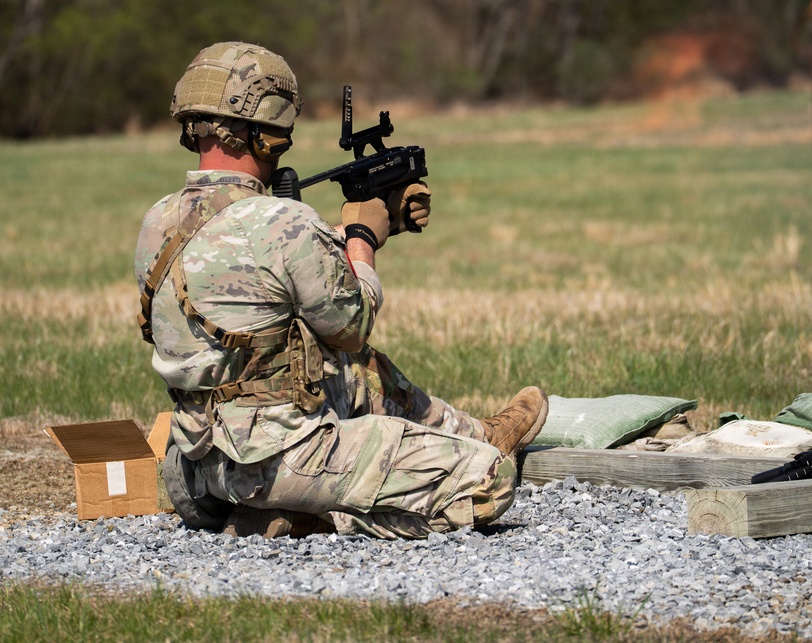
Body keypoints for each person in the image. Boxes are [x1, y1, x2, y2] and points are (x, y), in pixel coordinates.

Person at [134, 41, 548, 539]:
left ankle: (482, 433)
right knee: (490, 480)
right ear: (266, 131)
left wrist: (354, 232)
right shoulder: (282, 222)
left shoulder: (158, 221)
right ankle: (316, 514)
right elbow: (351, 324)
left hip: (201, 458)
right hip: (279, 456)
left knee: (358, 372)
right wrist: (364, 239)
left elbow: (269, 283)